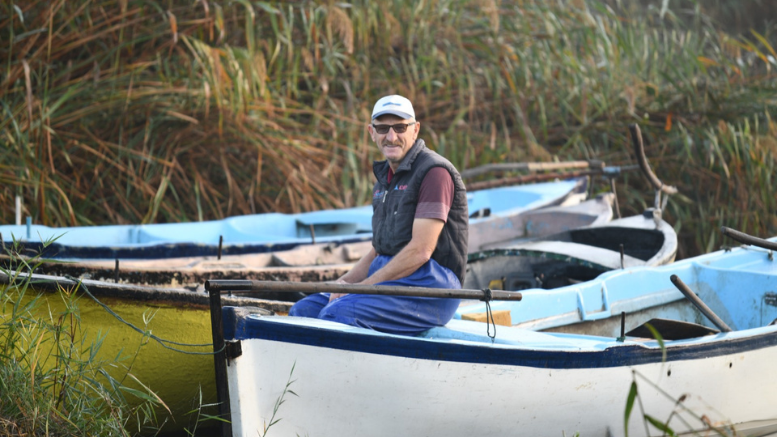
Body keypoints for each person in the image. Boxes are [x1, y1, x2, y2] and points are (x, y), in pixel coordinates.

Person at [288, 94, 469, 335]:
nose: (391, 137)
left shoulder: (434, 172)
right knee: (303, 311)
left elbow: (421, 251)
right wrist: (342, 283)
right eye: (383, 128)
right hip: (390, 279)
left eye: (400, 127)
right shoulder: (384, 182)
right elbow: (378, 251)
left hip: (432, 288)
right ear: (371, 133)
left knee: (336, 315)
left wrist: (362, 288)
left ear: (415, 130)